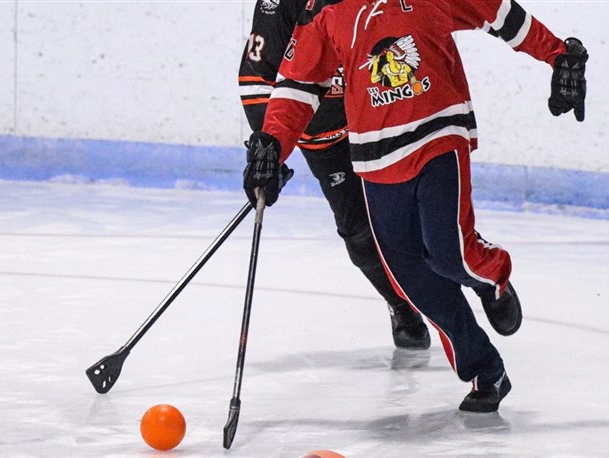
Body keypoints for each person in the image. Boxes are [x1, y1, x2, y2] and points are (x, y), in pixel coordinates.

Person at [242, 0, 588, 412]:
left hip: (437, 133)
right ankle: (485, 369)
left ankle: (491, 276)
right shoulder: (323, 10)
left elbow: (500, 14)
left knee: (449, 253)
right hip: (374, 156)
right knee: (408, 274)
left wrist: (558, 54)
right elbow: (298, 85)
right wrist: (272, 145)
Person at [238, 0, 432, 350]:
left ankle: (459, 288)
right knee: (358, 234)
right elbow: (255, 79)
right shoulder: (278, 5)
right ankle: (402, 305)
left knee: (418, 220)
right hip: (323, 138)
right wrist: (271, 153)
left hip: (379, 122)